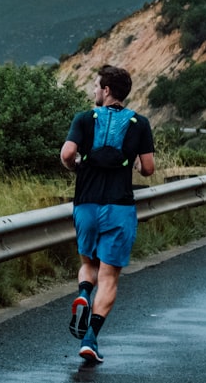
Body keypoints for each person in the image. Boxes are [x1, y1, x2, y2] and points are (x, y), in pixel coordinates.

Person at [60, 64, 155, 364]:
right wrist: (136, 165)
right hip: (119, 207)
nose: (94, 90)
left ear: (107, 90)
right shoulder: (140, 123)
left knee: (88, 261)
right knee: (110, 275)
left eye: (96, 86)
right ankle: (91, 339)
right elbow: (148, 168)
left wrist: (76, 167)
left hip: (86, 204)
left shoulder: (84, 119)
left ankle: (83, 294)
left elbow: (66, 154)